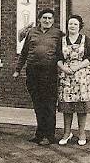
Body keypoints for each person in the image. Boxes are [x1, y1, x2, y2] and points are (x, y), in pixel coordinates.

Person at [13, 8, 63, 145]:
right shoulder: (31, 32)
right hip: (33, 72)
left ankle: (50, 136)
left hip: (50, 73)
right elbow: (24, 53)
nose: (47, 20)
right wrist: (18, 70)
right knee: (38, 104)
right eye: (44, 18)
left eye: (50, 18)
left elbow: (65, 52)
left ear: (53, 21)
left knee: (49, 104)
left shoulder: (58, 34)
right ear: (40, 19)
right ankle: (40, 134)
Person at [56, 14, 90, 146]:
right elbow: (58, 58)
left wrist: (78, 66)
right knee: (67, 106)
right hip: (66, 77)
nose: (72, 26)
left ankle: (81, 133)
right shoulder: (62, 41)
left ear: (79, 27)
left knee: (81, 106)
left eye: (75, 24)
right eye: (70, 24)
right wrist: (64, 68)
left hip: (82, 77)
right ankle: (67, 133)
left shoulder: (85, 40)